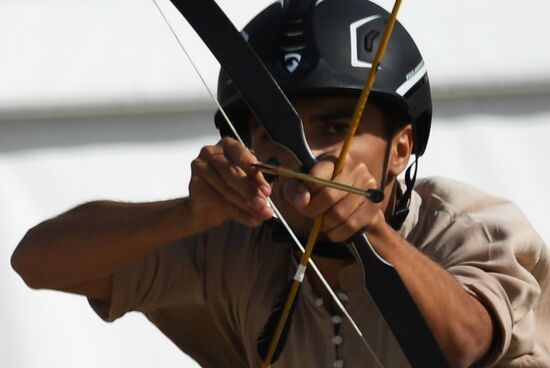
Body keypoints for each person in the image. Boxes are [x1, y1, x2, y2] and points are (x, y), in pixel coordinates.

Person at [11, 0, 550, 367]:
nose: (305, 155)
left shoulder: (469, 226)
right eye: (273, 133)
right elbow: (36, 261)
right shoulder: (239, 241)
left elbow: (464, 346)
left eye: (337, 128)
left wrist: (373, 235)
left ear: (401, 148)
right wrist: (188, 215)